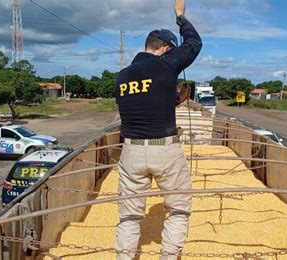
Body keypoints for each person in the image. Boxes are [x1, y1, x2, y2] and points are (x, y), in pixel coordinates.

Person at [114, 0, 202, 259]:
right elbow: (194, 44)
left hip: (131, 152)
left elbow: (143, 105)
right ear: (164, 49)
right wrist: (180, 16)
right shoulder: (166, 65)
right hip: (164, 150)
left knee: (129, 215)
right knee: (178, 210)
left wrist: (175, 100)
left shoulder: (122, 76)